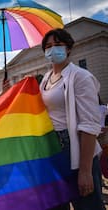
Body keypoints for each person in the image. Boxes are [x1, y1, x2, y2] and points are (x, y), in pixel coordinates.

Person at [39, 28, 105, 210]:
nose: (53, 50)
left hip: (75, 148)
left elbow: (90, 125)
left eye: (58, 45)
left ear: (68, 48)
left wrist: (85, 171)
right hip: (53, 150)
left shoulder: (81, 77)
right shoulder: (45, 79)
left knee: (87, 204)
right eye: (49, 46)